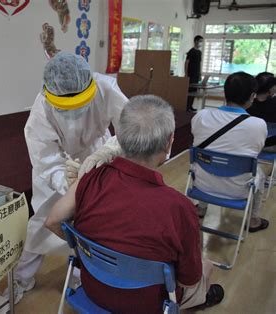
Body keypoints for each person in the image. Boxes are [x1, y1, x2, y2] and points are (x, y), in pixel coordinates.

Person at [46, 95, 224, 314]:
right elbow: (188, 280)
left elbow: (53, 220)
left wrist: (88, 253)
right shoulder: (179, 208)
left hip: (93, 289)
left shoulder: (92, 177)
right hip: (149, 305)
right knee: (206, 267)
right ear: (169, 142)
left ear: (119, 138)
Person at [9, 52, 128, 303]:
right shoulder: (42, 108)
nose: (75, 113)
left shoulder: (106, 88)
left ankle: (84, 275)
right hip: (59, 164)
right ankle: (21, 278)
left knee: (93, 222)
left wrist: (112, 149)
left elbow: (130, 125)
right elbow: (44, 155)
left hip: (98, 155)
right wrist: (65, 181)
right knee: (43, 220)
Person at [192, 72, 269, 232]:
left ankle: (201, 209)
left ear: (224, 93)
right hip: (238, 190)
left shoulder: (201, 116)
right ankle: (253, 220)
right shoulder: (258, 125)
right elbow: (256, 151)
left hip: (202, 184)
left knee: (208, 157)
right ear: (252, 96)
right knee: (259, 172)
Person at [185, 35, 204, 112]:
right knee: (190, 91)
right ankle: (187, 107)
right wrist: (186, 74)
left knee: (194, 91)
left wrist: (199, 74)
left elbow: (199, 63)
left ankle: (191, 106)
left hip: (196, 74)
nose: (201, 43)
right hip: (190, 74)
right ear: (196, 41)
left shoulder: (199, 52)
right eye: (200, 41)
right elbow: (186, 62)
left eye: (202, 41)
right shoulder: (191, 51)